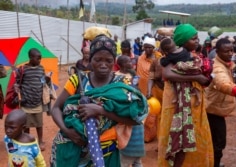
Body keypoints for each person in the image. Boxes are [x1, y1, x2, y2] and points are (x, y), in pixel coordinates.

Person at [50, 35, 148, 167]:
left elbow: (136, 119)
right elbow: (56, 108)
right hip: (76, 151)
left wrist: (101, 110)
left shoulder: (122, 83)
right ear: (90, 60)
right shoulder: (78, 80)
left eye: (108, 60)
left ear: (114, 61)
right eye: (98, 60)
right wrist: (67, 132)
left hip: (108, 153)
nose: (103, 64)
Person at [158, 24, 214, 167]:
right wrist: (196, 78)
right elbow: (167, 73)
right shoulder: (172, 57)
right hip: (176, 104)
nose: (197, 41)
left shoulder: (193, 56)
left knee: (195, 137)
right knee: (178, 137)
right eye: (193, 39)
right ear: (182, 41)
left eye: (197, 38)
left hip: (194, 104)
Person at [205, 38, 236, 167]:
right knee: (218, 142)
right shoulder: (217, 67)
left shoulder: (226, 63)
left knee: (215, 141)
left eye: (231, 50)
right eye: (226, 51)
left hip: (215, 107)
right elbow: (221, 82)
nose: (231, 53)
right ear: (217, 51)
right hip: (213, 109)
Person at [115, 55, 145, 167]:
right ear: (122, 64)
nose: (131, 62)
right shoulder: (115, 76)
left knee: (135, 154)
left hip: (134, 110)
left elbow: (138, 90)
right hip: (124, 111)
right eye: (128, 61)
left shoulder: (133, 75)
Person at [15, 48, 46, 151]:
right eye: (38, 58)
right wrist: (16, 87)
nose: (39, 61)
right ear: (31, 58)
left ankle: (40, 140)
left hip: (37, 101)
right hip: (26, 102)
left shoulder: (41, 68)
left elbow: (43, 81)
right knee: (26, 125)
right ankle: (27, 140)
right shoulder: (23, 69)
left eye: (40, 59)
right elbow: (17, 82)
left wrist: (47, 80)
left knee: (39, 123)